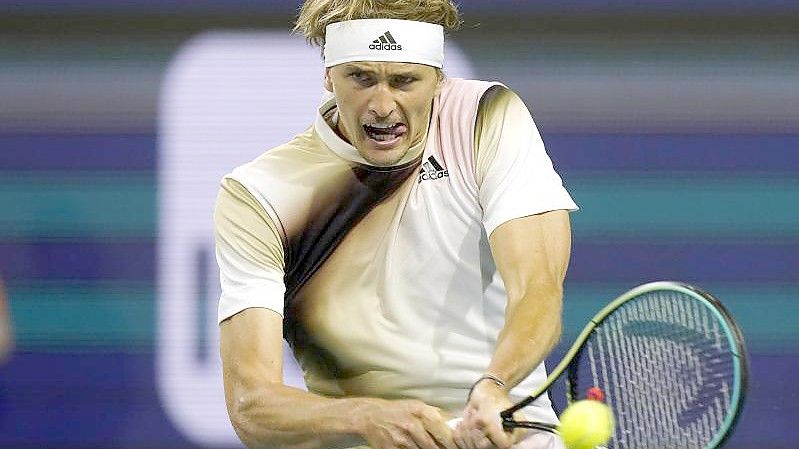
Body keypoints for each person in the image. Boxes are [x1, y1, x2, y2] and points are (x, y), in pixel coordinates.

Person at [215, 1, 577, 448]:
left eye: (404, 81)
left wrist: (494, 385)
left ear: (437, 80)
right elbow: (252, 403)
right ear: (329, 75)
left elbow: (538, 287)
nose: (382, 105)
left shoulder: (484, 118)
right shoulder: (262, 193)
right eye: (361, 78)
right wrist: (363, 415)